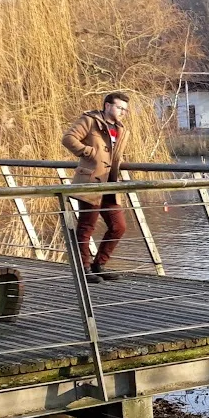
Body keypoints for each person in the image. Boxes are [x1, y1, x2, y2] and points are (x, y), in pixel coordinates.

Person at [61, 91, 131, 282]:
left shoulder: (122, 129)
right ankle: (84, 269)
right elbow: (68, 138)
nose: (123, 112)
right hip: (91, 182)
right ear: (108, 106)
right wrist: (88, 152)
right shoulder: (90, 121)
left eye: (125, 109)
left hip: (110, 183)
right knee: (87, 226)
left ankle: (99, 264)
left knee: (119, 226)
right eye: (119, 107)